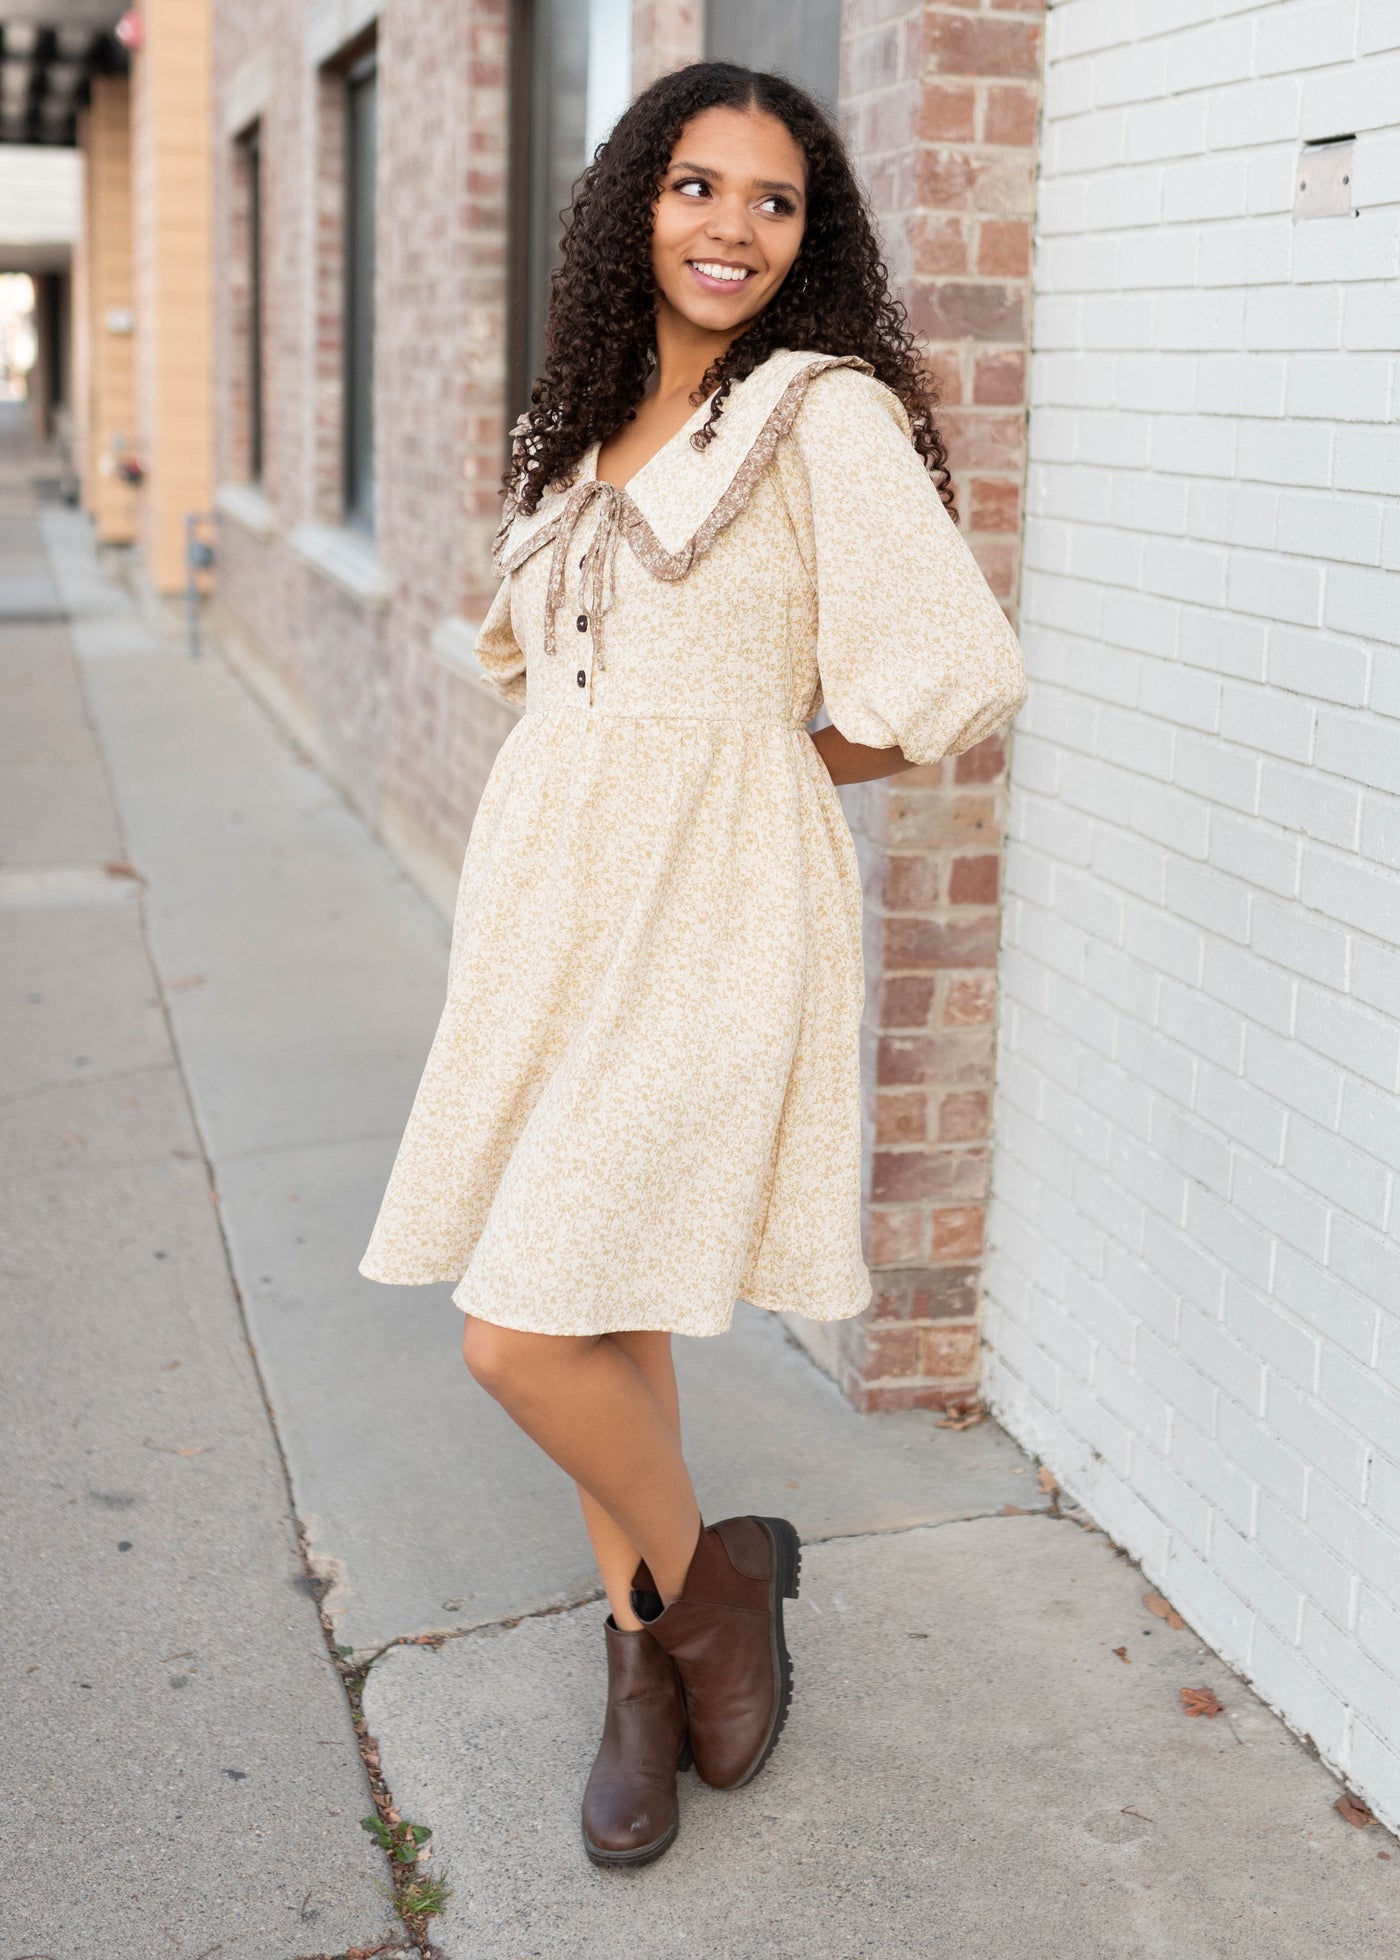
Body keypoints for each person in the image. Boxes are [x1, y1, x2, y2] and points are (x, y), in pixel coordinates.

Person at [359, 60, 1027, 1868]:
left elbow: (958, 667)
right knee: (600, 1299)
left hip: (719, 902)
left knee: (517, 1336)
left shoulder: (822, 415)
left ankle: (713, 1596)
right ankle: (650, 1659)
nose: (734, 227)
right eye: (698, 186)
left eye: (776, 201)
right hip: (556, 905)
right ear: (633, 204)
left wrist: (777, 762)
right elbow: (539, 663)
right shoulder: (571, 425)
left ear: (812, 237)